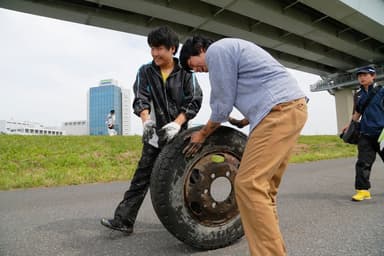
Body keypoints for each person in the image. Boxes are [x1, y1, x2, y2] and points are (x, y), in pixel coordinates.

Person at [179, 36, 307, 256]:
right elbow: (263, 82)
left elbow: (221, 102)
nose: (199, 71)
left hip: (279, 112)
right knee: (264, 190)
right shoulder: (234, 48)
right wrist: (246, 119)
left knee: (249, 185)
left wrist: (202, 133)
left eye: (194, 64)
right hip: (292, 108)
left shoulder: (217, 50)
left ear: (200, 49)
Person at [100, 26, 203, 234]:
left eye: (159, 48)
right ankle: (124, 220)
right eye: (152, 48)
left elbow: (194, 100)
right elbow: (141, 97)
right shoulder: (145, 71)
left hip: (179, 134)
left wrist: (177, 123)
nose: (154, 53)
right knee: (141, 177)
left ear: (172, 49)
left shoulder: (185, 73)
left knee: (190, 176)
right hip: (154, 134)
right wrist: (146, 121)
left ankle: (202, 219)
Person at [342, 66, 384, 201]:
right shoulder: (358, 94)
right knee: (362, 163)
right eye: (359, 75)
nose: (362, 77)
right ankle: (363, 190)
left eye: (365, 75)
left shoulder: (382, 91)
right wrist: (350, 124)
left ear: (373, 76)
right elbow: (357, 112)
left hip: (382, 133)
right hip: (365, 133)